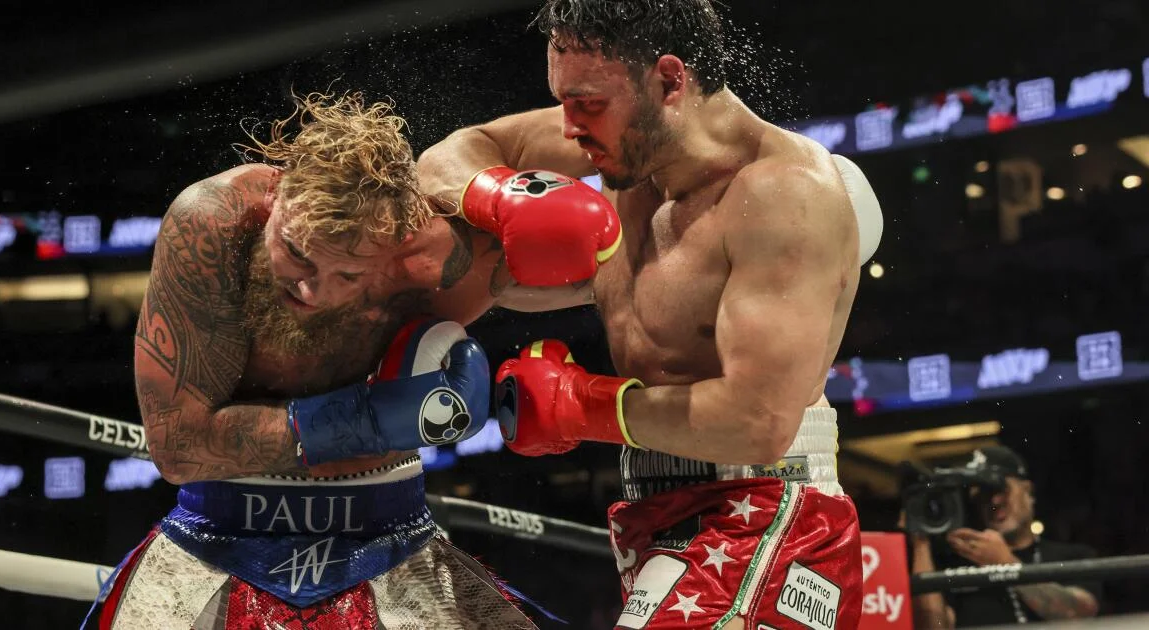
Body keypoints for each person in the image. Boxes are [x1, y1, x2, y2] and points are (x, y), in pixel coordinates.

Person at [418, 1, 883, 628]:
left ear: (668, 80)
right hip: (659, 506)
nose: (569, 127)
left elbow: (759, 423)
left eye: (587, 104)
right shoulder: (627, 152)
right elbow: (451, 156)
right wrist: (496, 195)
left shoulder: (781, 193)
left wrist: (579, 404)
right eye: (563, 101)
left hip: (768, 507)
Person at [95, 91, 620, 628]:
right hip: (215, 540)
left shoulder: (442, 266)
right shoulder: (214, 225)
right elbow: (178, 445)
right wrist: (369, 419)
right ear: (279, 197)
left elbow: (624, 269)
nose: (310, 288)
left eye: (346, 275)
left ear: (396, 250)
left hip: (392, 536)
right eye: (295, 252)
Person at [910, 445, 1103, 628]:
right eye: (984, 492)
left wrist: (1005, 563)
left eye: (1001, 488)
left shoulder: (1073, 556)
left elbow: (1078, 614)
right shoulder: (957, 568)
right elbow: (932, 627)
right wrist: (920, 542)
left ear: (1028, 491)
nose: (994, 501)